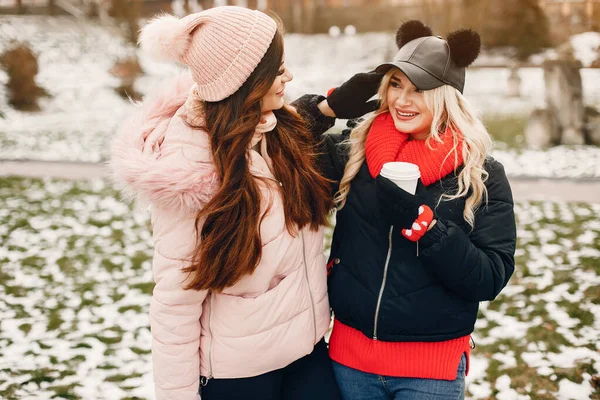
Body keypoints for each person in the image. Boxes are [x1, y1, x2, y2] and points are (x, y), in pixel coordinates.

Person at [108, 6, 365, 400]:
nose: (289, 77)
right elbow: (175, 304)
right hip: (239, 378)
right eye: (278, 70)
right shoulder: (192, 170)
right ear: (246, 80)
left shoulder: (273, 129)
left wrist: (331, 105)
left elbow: (293, 130)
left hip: (306, 352)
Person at [302, 20, 517, 399]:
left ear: (446, 96)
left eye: (419, 90)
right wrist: (326, 108)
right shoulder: (353, 150)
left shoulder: (480, 174)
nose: (402, 101)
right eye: (396, 85)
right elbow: (268, 149)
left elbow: (490, 276)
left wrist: (428, 229)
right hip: (350, 362)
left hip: (430, 374)